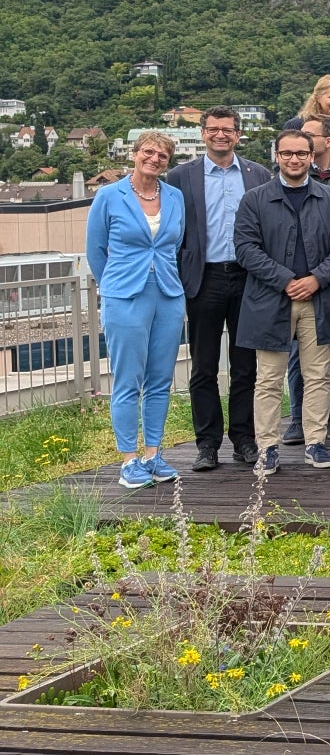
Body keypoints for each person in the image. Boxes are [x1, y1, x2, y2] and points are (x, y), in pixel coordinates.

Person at [234, 128, 330, 474]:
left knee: (317, 375)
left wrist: (316, 278)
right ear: (277, 156)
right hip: (270, 300)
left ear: (311, 156)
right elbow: (245, 248)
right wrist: (285, 280)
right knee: (268, 378)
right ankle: (267, 448)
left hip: (320, 298)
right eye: (287, 153)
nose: (294, 159)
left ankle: (315, 442)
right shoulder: (255, 199)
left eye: (301, 153)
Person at [162, 107, 271, 470]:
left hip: (248, 278)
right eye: (213, 129)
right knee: (204, 366)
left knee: (245, 366)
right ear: (203, 133)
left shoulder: (258, 174)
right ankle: (207, 444)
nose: (220, 135)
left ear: (239, 134)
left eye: (227, 129)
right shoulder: (180, 176)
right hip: (203, 277)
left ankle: (244, 439)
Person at [87, 131, 186, 489]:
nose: (155, 158)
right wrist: (115, 285)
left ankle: (153, 454)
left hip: (168, 295)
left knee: (160, 380)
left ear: (168, 161)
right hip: (125, 296)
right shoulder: (108, 196)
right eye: (149, 151)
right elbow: (96, 251)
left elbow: (177, 243)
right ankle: (129, 459)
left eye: (162, 155)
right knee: (128, 380)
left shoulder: (174, 196)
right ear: (134, 153)